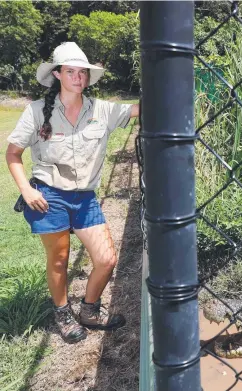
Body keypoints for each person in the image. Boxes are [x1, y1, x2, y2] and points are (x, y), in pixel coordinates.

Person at [5, 42, 140, 344]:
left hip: (85, 197)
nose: (78, 78)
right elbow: (13, 153)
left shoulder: (102, 110)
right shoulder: (37, 111)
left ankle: (89, 310)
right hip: (48, 196)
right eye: (71, 72)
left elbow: (140, 109)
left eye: (82, 72)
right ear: (57, 75)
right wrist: (26, 190)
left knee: (106, 259)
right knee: (59, 259)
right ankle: (63, 313)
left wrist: (174, 88)